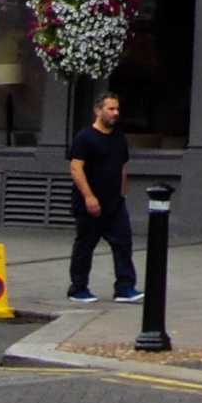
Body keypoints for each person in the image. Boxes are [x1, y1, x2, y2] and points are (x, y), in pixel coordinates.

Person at [66, 91, 142, 305]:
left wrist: (122, 193)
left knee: (123, 242)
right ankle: (78, 288)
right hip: (89, 203)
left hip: (115, 203)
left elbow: (122, 167)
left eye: (117, 109)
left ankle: (125, 287)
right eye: (110, 109)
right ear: (98, 110)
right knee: (85, 245)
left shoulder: (119, 138)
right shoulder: (84, 138)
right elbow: (76, 168)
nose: (115, 113)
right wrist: (89, 197)